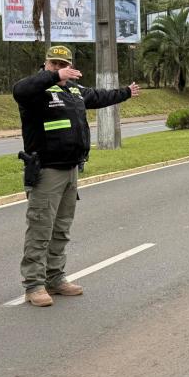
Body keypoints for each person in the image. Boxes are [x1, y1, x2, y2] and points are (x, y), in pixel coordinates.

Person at [13, 45, 140, 307]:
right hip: (46, 170)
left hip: (71, 169)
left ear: (71, 67)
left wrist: (126, 92)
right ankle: (34, 285)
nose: (59, 69)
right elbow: (19, 89)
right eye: (54, 64)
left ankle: (55, 278)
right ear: (46, 64)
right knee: (41, 229)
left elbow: (98, 96)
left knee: (61, 229)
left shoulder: (73, 90)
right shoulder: (35, 91)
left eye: (64, 65)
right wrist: (53, 77)